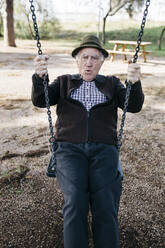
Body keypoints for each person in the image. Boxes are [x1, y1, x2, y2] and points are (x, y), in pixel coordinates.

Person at [31, 35, 144, 248]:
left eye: (94, 58)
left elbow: (134, 106)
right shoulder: (64, 82)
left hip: (105, 150)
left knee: (106, 204)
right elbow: (40, 100)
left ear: (102, 62)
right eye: (84, 57)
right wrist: (39, 77)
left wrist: (134, 82)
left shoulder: (112, 84)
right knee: (75, 200)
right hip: (68, 149)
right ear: (77, 60)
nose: (89, 63)